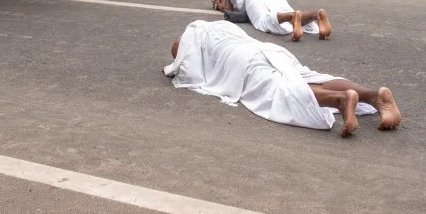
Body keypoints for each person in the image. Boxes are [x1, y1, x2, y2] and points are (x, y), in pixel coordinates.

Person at [164, 20, 402, 137]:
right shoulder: (220, 27)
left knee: (279, 92)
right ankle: (374, 96)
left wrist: (172, 68)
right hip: (268, 50)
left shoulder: (192, 41)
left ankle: (339, 99)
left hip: (244, 62)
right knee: (307, 77)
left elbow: (189, 72)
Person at [211, 0, 331, 41]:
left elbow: (227, 9)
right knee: (285, 10)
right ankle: (316, 15)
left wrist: (218, 5)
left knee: (263, 20)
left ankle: (291, 16)